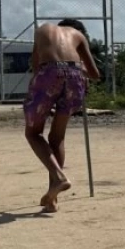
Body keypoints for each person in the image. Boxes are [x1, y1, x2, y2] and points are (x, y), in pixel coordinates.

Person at [24, 19, 100, 213]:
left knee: (33, 133)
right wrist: (78, 69)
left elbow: (36, 65)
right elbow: (94, 74)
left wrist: (42, 95)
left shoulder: (43, 30)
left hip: (48, 73)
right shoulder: (79, 36)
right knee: (57, 138)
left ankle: (58, 178)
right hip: (75, 76)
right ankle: (52, 199)